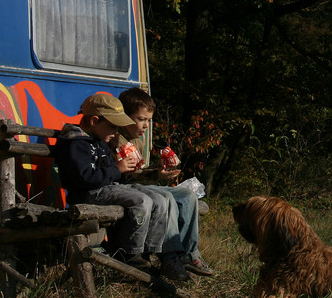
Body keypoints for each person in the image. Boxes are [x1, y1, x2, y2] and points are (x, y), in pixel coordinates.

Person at [53, 92, 168, 271]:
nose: (116, 133)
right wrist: (117, 169)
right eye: (113, 127)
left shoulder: (99, 141)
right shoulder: (76, 144)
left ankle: (150, 251)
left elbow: (114, 176)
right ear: (94, 121)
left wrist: (127, 172)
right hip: (88, 193)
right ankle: (130, 253)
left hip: (105, 189)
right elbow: (86, 178)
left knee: (159, 199)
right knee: (141, 201)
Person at [114, 88, 214, 277]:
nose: (145, 126)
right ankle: (169, 255)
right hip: (126, 189)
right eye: (141, 119)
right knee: (166, 196)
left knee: (187, 195)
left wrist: (158, 172)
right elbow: (126, 176)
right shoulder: (117, 140)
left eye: (148, 121)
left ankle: (190, 252)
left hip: (138, 185)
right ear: (126, 117)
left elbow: (139, 172)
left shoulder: (137, 139)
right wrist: (155, 176)